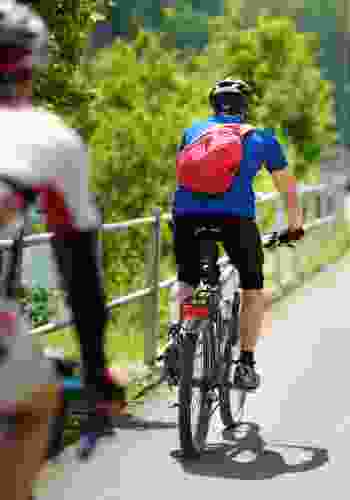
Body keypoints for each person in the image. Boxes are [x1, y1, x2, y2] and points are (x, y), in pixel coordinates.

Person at [0, 2, 125, 498]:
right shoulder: (50, 138)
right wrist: (96, 370)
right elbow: (79, 272)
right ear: (33, 65)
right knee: (38, 402)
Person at [166, 78, 304, 391]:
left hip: (188, 216)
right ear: (245, 107)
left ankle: (177, 333)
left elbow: (181, 178)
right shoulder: (261, 138)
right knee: (252, 288)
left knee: (187, 279)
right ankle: (245, 364)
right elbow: (288, 189)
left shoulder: (193, 132)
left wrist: (180, 217)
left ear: (213, 105)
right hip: (235, 220)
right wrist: (294, 226)